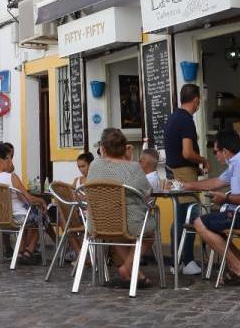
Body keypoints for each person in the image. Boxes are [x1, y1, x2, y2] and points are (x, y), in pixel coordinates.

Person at [181, 129, 240, 283]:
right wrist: (186, 186)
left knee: (199, 223)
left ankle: (238, 267)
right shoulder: (239, 161)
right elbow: (216, 182)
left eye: (215, 152)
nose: (216, 156)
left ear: (225, 151)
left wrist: (226, 199)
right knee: (213, 224)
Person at [86, 128, 155, 288]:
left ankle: (136, 275)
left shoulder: (94, 166)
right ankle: (128, 267)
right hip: (130, 223)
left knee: (115, 234)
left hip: (98, 223)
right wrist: (128, 159)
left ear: (102, 148)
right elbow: (147, 193)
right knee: (148, 234)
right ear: (125, 148)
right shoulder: (133, 168)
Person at [162, 84, 209, 276]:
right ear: (196, 100)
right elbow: (187, 152)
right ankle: (186, 260)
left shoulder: (173, 118)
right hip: (184, 173)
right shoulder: (187, 121)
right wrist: (203, 160)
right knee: (189, 217)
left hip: (172, 172)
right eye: (199, 102)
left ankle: (177, 260)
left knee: (180, 216)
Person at [0, 143, 46, 265]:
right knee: (42, 217)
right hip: (16, 218)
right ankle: (28, 251)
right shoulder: (11, 177)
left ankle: (21, 251)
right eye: (8, 158)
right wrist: (41, 200)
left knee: (31, 214)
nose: (10, 161)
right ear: (1, 160)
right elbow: (28, 199)